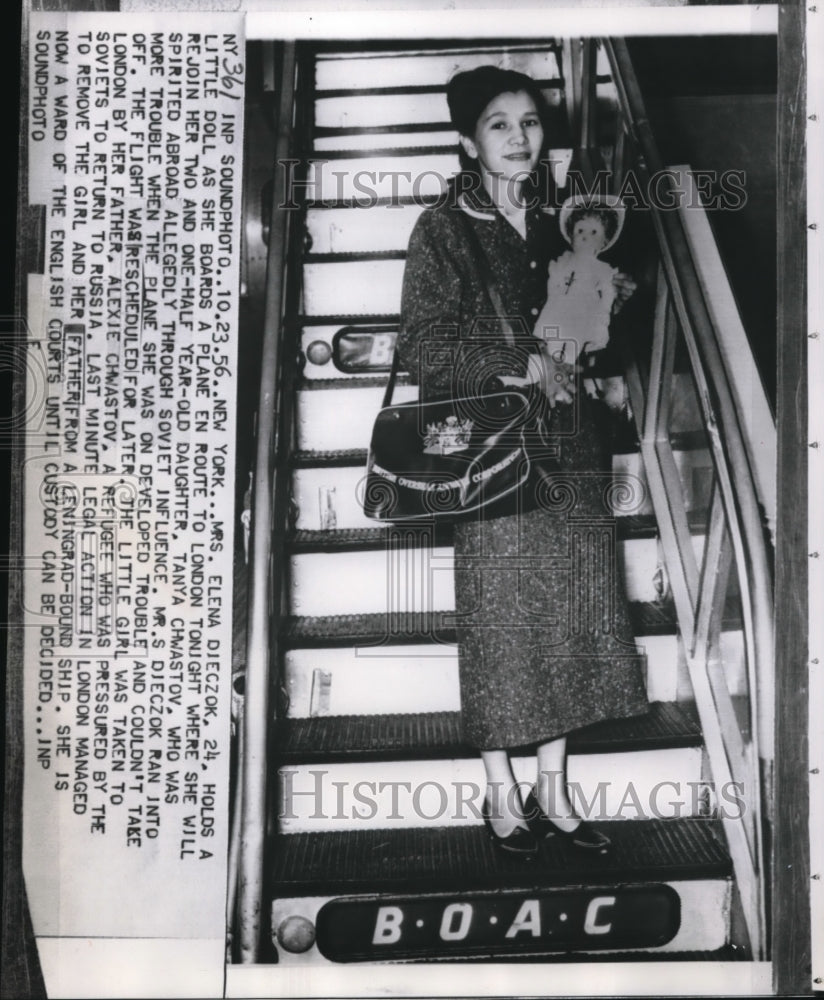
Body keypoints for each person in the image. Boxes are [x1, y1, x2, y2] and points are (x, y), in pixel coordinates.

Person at [397, 65, 649, 857]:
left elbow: (588, 322)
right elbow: (423, 343)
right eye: (500, 124)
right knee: (503, 626)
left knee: (571, 622)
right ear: (467, 140)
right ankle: (501, 793)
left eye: (531, 123)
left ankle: (555, 789)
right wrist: (511, 367)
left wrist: (612, 312)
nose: (519, 138)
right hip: (494, 451)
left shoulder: (564, 221)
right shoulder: (444, 227)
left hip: (572, 447)